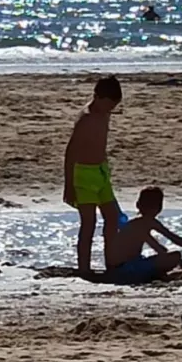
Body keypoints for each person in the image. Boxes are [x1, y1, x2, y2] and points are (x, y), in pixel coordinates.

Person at [63, 76, 124, 274]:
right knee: (89, 223)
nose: (111, 110)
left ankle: (111, 262)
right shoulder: (86, 119)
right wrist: (69, 185)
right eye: (109, 105)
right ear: (98, 97)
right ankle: (84, 268)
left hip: (101, 172)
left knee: (112, 217)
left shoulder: (105, 114)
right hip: (83, 175)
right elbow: (70, 153)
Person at [104, 186, 182, 283]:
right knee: (174, 257)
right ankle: (156, 276)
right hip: (126, 269)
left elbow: (165, 243)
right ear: (159, 208)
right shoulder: (146, 223)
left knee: (169, 258)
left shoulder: (135, 224)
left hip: (119, 267)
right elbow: (170, 241)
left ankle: (157, 275)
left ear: (138, 205)